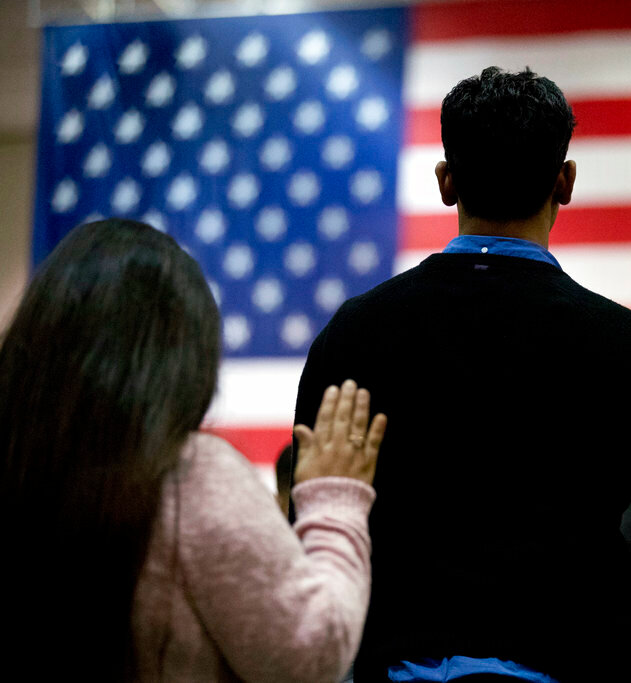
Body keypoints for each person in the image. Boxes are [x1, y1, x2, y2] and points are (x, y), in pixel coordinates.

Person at [293, 67, 631, 682]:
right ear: (566, 181)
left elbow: (309, 524)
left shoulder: (353, 336)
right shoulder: (619, 346)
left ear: (446, 182)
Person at [0, 219, 385, 681]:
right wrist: (335, 500)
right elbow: (311, 656)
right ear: (183, 354)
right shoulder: (192, 477)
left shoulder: (19, 465)